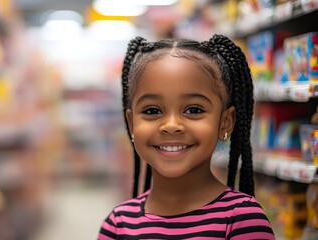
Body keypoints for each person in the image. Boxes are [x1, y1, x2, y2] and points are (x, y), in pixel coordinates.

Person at [98, 34, 275, 239]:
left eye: (193, 110)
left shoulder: (242, 219)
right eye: (152, 111)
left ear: (225, 122)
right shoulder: (118, 224)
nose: (171, 126)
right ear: (132, 124)